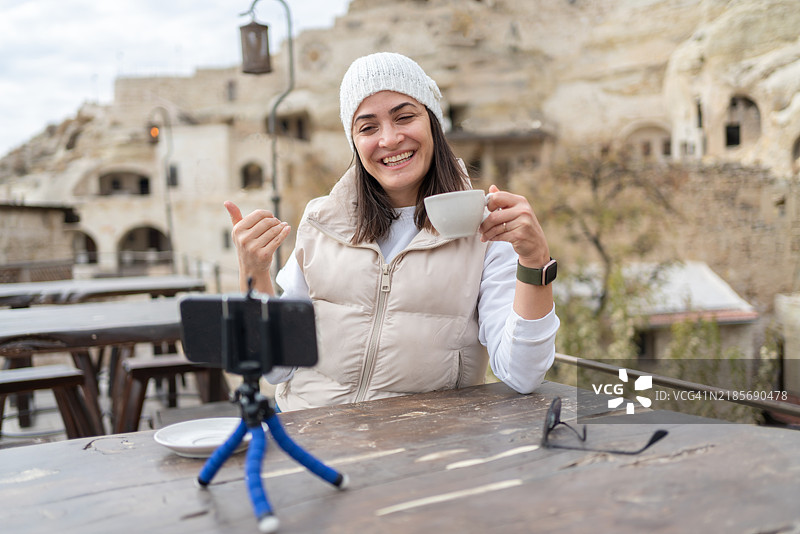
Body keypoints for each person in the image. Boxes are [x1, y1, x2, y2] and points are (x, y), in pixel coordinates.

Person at [224, 52, 559, 411]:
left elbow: (522, 374)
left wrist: (535, 262)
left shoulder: (487, 228)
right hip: (310, 435)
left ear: (433, 123)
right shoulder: (322, 219)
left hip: (421, 447)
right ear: (354, 141)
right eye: (368, 127)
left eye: (404, 117)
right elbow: (277, 368)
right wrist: (254, 272)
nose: (390, 139)